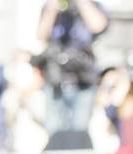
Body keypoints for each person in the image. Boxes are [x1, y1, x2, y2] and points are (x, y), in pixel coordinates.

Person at [35, 0, 109, 143]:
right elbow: (41, 35)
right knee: (54, 133)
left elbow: (98, 26)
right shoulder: (52, 5)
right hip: (56, 79)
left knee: (79, 133)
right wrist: (52, 7)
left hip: (83, 79)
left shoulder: (92, 4)